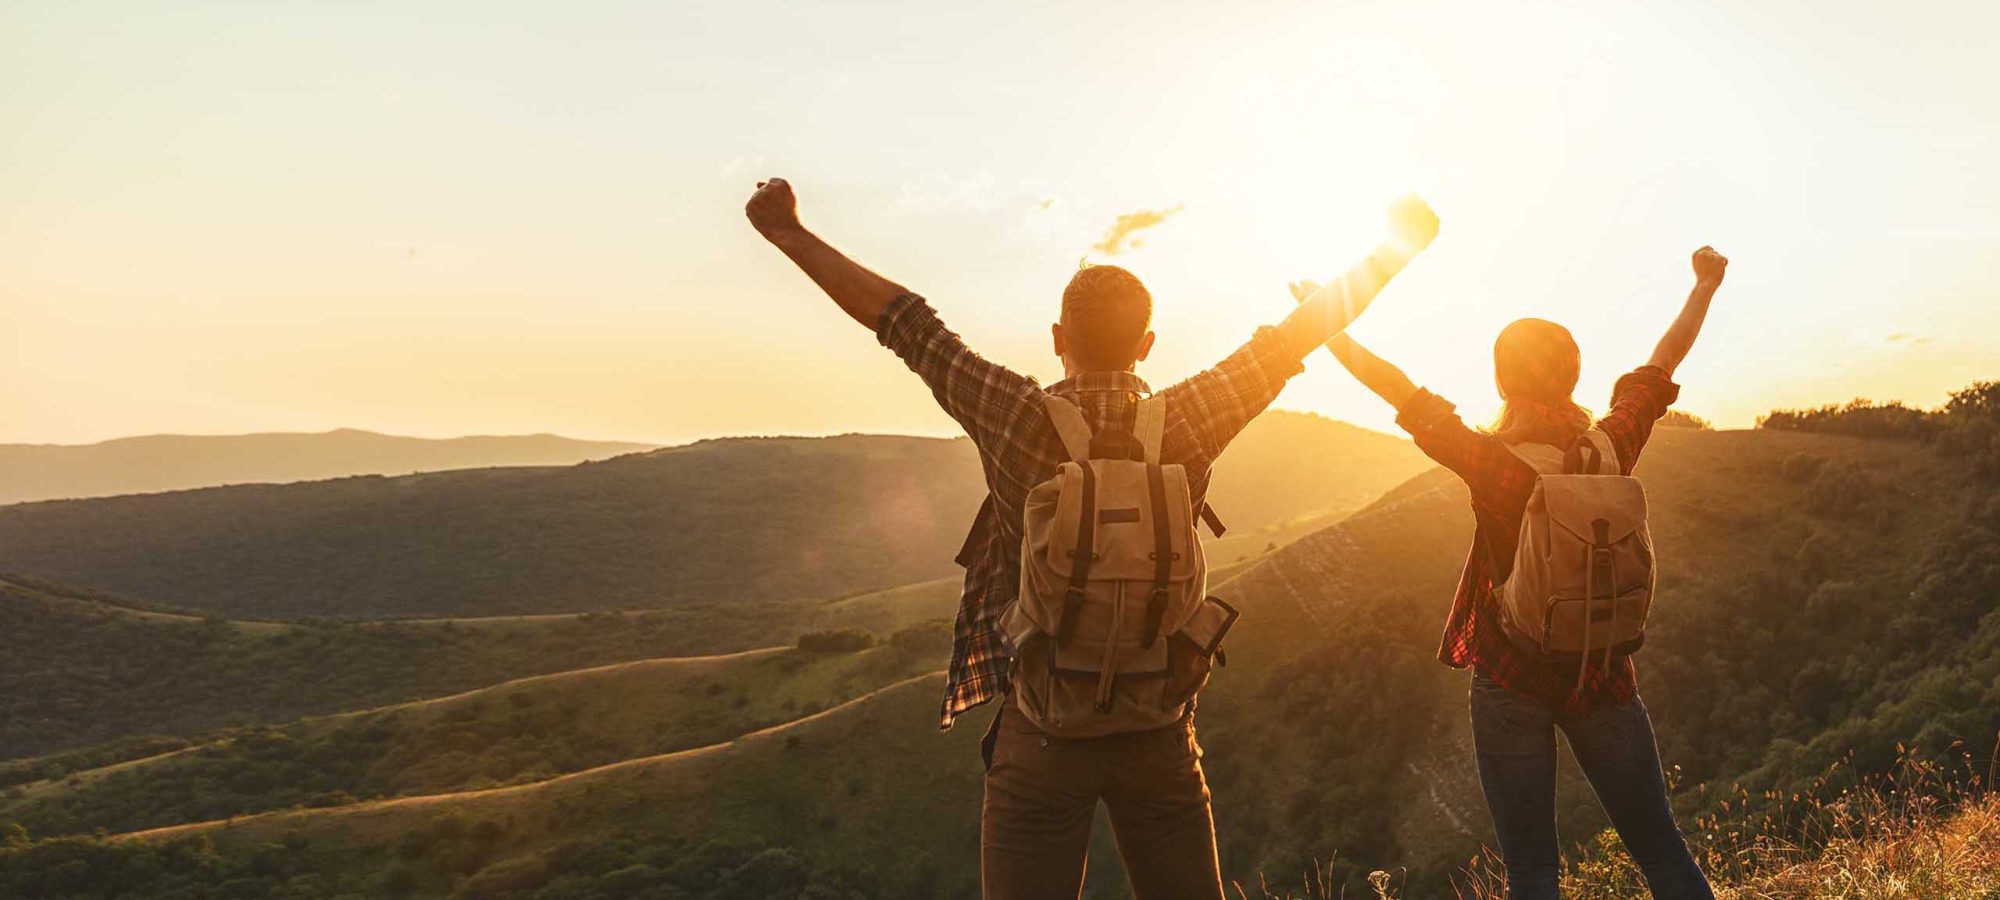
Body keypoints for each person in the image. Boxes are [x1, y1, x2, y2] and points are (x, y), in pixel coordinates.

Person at [746, 176, 1438, 899]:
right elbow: (1298, 333)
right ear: (1146, 344)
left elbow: (907, 324)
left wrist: (790, 233)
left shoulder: (1014, 414)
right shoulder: (1189, 417)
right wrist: (1398, 250)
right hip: (1158, 728)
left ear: (1057, 341)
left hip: (1042, 731)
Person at [1291, 246, 1727, 898]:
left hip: (1511, 676)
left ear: (1501, 383)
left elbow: (1395, 387)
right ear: (1574, 378)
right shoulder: (1611, 444)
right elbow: (1662, 361)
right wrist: (1703, 285)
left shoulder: (1491, 461)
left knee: (1533, 872)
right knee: (1663, 853)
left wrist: (1325, 324)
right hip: (1602, 671)